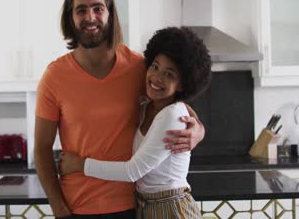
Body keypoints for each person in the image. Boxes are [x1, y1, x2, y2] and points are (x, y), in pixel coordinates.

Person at [34, 0, 206, 218]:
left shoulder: (137, 67)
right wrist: (59, 209)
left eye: (98, 8)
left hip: (130, 206)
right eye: (80, 10)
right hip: (77, 207)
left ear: (110, 14)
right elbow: (42, 149)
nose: (90, 16)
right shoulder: (54, 77)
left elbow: (176, 102)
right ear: (70, 19)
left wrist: (198, 130)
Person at [59, 27, 212, 218]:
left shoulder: (172, 115)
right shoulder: (146, 106)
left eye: (169, 74)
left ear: (182, 84)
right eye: (155, 67)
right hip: (147, 206)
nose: (157, 77)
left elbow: (133, 171)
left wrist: (79, 164)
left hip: (171, 208)